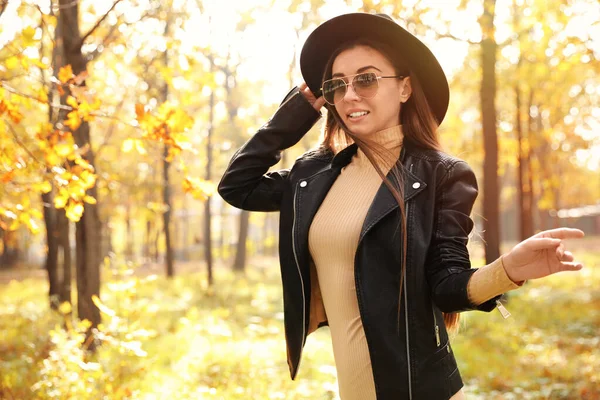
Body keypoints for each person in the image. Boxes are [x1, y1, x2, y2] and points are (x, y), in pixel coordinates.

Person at [218, 13, 585, 400]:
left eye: (366, 79)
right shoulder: (315, 175)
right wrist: (296, 112)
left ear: (406, 88)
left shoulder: (442, 174)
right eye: (336, 85)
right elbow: (237, 186)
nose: (350, 95)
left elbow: (447, 286)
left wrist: (507, 270)